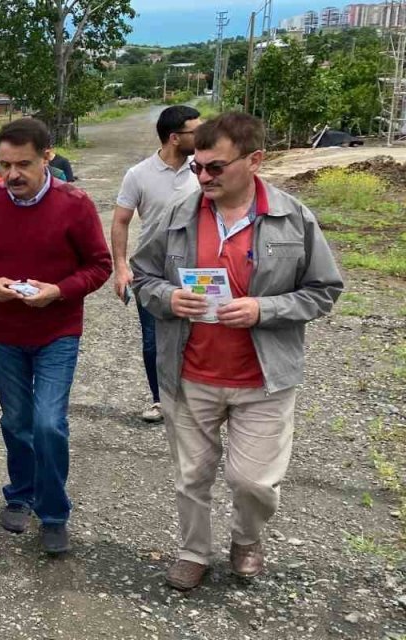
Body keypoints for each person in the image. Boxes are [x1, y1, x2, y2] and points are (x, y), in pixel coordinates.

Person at [131, 113, 343, 591]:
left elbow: (324, 290)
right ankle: (193, 552)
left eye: (215, 168)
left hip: (263, 380)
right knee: (192, 476)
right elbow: (141, 277)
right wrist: (168, 298)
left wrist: (264, 309)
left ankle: (246, 538)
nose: (203, 177)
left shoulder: (293, 218)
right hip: (190, 373)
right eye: (197, 168)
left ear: (254, 161)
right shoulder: (174, 216)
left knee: (254, 483)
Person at [0, 118, 111, 555]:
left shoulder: (75, 204)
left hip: (57, 330)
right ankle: (21, 493)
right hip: (3, 333)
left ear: (47, 157)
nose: (11, 175)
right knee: (17, 422)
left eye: (22, 164)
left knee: (48, 423)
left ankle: (55, 512)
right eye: (4, 165)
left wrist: (58, 291)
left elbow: (99, 265)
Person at [111, 105, 202, 424]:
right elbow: (121, 221)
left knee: (199, 334)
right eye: (195, 131)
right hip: (152, 271)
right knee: (154, 339)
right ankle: (160, 399)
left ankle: (197, 399)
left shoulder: (202, 170)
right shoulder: (139, 174)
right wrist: (120, 267)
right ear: (175, 138)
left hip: (197, 267)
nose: (202, 136)